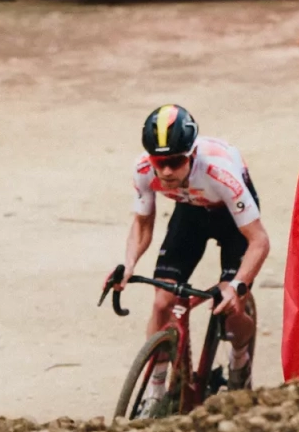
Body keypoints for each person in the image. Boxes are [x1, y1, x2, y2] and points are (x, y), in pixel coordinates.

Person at [106, 105, 268, 396]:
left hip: (232, 220)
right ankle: (155, 395)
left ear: (192, 154)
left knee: (229, 309)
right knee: (161, 303)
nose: (166, 171)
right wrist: (128, 265)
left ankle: (240, 359)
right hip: (191, 211)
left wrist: (236, 286)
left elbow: (259, 241)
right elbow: (142, 224)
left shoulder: (220, 173)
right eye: (160, 161)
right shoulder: (144, 170)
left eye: (176, 161)